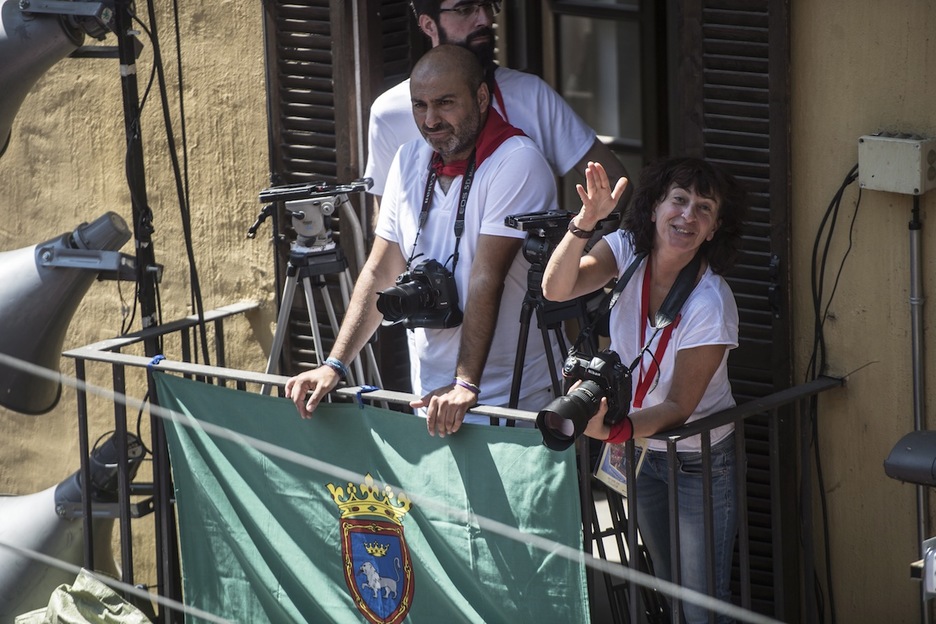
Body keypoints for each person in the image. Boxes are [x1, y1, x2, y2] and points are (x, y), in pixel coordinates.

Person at [285, 44, 560, 437]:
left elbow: (486, 278)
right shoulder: (408, 159)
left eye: (445, 103)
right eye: (420, 105)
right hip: (431, 398)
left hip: (510, 398)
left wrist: (466, 384)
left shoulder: (517, 159)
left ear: (481, 98)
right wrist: (335, 364)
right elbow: (382, 269)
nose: (431, 120)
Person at [541, 157, 748, 624]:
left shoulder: (711, 301)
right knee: (670, 588)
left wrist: (614, 431)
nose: (687, 216)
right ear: (655, 207)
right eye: (679, 200)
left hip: (698, 460)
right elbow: (557, 290)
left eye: (704, 209)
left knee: (700, 606)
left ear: (714, 230)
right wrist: (584, 223)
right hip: (642, 450)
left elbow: (679, 405)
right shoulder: (627, 250)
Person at [364, 0, 632, 221]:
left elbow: (615, 182)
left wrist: (580, 255)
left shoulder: (531, 95)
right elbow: (384, 223)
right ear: (428, 24)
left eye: (488, 4)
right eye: (465, 8)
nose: (483, 19)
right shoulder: (389, 113)